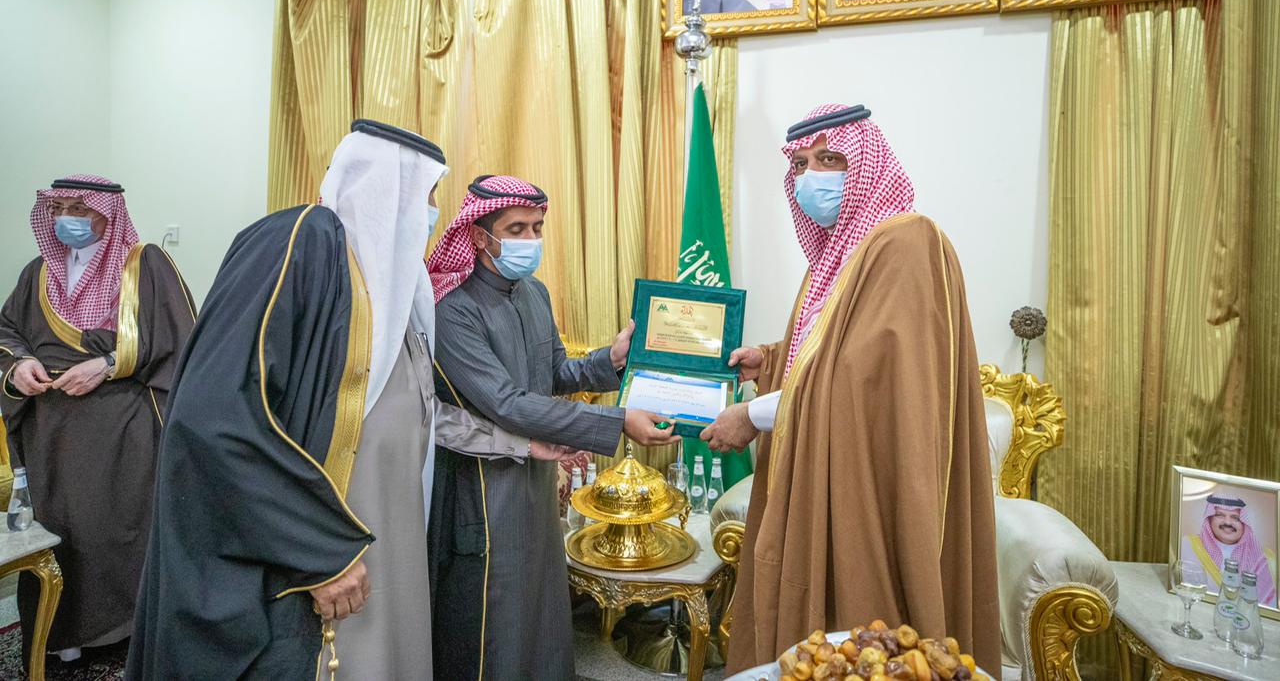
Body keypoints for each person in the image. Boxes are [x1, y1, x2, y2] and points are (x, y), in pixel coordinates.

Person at [126, 121, 569, 680]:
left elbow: (421, 413)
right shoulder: (300, 244)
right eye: (428, 195)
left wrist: (521, 444)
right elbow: (214, 419)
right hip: (321, 542)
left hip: (390, 532)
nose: (433, 213)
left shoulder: (397, 292)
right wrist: (319, 551)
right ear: (387, 190)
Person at [700, 104, 1000, 672]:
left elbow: (868, 383)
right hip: (825, 466)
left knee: (870, 627)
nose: (811, 176)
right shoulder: (840, 253)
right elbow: (837, 349)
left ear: (865, 163)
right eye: (801, 164)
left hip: (872, 484)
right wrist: (770, 359)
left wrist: (752, 416)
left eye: (830, 159)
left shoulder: (907, 242)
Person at [426, 174, 677, 680]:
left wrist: (611, 360)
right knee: (494, 623)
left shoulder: (534, 293)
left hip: (537, 483)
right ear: (478, 236)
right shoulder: (453, 311)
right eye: (516, 229)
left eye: (537, 228)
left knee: (542, 614)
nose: (530, 240)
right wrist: (618, 422)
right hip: (485, 493)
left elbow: (555, 372)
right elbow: (507, 403)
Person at [0, 176, 195, 666]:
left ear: (108, 214)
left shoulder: (145, 264)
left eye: (79, 209)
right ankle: (62, 637)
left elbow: (180, 339)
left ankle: (125, 635)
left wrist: (107, 365)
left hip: (120, 433)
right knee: (60, 534)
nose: (67, 219)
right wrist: (19, 364)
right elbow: (7, 330)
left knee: (117, 534)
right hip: (50, 435)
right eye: (59, 208)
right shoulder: (38, 272)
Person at [1181, 494, 1278, 606]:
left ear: (1244, 523)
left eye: (1235, 517)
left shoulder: (1267, 559)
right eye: (1220, 515)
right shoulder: (1189, 546)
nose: (1227, 522)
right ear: (1210, 520)